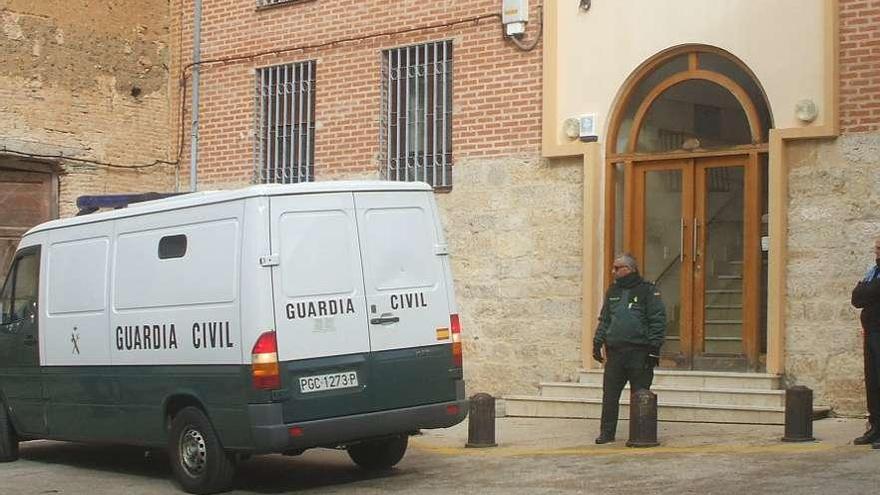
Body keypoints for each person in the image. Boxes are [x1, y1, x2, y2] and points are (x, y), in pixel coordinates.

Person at [592, 253, 666, 444]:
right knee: (609, 396)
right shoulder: (613, 291)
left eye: (618, 268)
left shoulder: (647, 291)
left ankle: (640, 434)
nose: (613, 271)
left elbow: (657, 320)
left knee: (640, 395)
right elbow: (605, 319)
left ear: (630, 269)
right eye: (613, 268)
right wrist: (598, 341)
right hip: (616, 352)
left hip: (639, 353)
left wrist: (654, 348)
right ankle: (607, 433)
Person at [851, 238, 880, 448]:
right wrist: (866, 290)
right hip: (871, 332)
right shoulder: (873, 271)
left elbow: (867, 292)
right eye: (877, 247)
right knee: (872, 381)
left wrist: (866, 290)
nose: (878, 251)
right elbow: (856, 298)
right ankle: (875, 427)